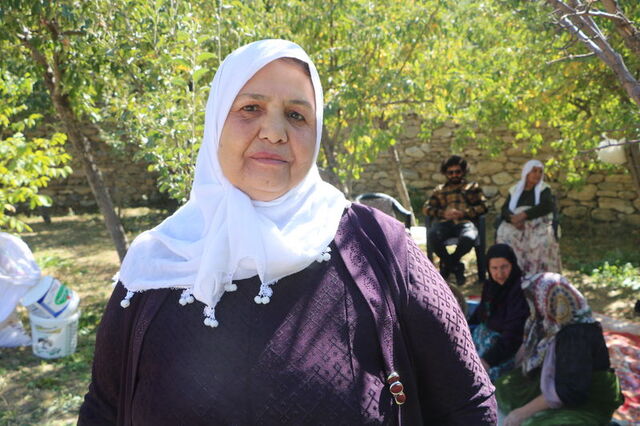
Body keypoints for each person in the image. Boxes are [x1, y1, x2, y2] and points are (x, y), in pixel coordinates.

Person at [78, 39, 496, 425]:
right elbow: (104, 408)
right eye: (250, 108)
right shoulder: (156, 262)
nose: (275, 132)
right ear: (215, 121)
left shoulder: (377, 247)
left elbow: (469, 404)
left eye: (297, 115)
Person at [496, 272, 624, 426]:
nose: (533, 305)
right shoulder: (553, 322)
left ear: (548, 300)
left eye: (535, 299)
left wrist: (522, 413)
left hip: (586, 398)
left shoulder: (576, 334)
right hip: (559, 379)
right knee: (504, 388)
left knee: (535, 424)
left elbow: (571, 391)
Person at [468, 244, 529, 382]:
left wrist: (487, 361)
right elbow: (481, 313)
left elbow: (513, 335)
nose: (500, 273)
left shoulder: (520, 291)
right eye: (494, 268)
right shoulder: (490, 286)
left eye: (504, 267)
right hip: (483, 342)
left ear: (513, 265)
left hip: (504, 351)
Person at [423, 155, 487, 285]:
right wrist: (443, 213)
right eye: (450, 172)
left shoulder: (472, 187)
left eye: (457, 172)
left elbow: (484, 206)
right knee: (432, 235)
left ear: (463, 171)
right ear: (445, 173)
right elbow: (426, 208)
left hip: (465, 223)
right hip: (444, 224)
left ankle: (447, 265)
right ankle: (457, 267)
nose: (454, 175)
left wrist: (464, 213)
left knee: (469, 238)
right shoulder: (439, 190)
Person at [496, 160, 561, 275]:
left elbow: (547, 206)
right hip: (515, 224)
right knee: (504, 238)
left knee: (541, 243)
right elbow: (505, 209)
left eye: (540, 172)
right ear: (526, 172)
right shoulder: (515, 190)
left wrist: (524, 215)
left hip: (538, 224)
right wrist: (512, 219)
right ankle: (512, 274)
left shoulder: (544, 189)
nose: (537, 174)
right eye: (534, 171)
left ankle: (538, 276)